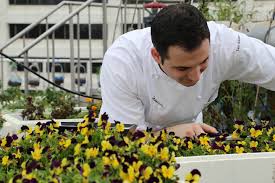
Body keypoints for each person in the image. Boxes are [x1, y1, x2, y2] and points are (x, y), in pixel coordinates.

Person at [99, 3, 275, 137]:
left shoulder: (225, 44)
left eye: (204, 62)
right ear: (156, 55)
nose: (196, 76)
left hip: (192, 138)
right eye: (183, 68)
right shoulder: (123, 61)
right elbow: (122, 141)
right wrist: (171, 134)